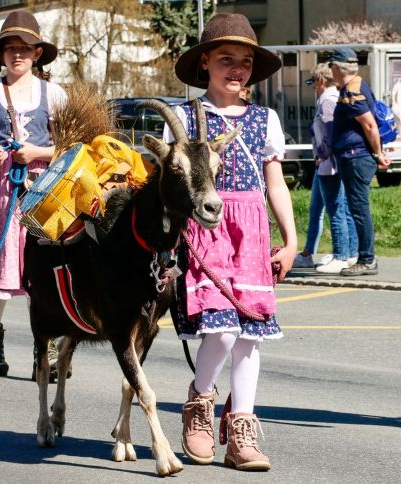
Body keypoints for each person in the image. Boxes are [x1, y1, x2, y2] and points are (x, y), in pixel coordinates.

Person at [168, 13, 297, 471]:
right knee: (220, 330)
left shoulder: (265, 119)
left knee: (248, 338)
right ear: (205, 63)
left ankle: (241, 426)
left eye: (245, 61)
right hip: (205, 230)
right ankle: (201, 403)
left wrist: (291, 238)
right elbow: (171, 184)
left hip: (252, 233)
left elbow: (275, 183)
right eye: (226, 59)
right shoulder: (183, 117)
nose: (237, 68)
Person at [0, 11, 66, 377]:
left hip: (42, 189)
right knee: (1, 268)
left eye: (24, 48)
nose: (17, 55)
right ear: (1, 54)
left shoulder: (53, 93)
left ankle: (47, 348)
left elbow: (69, 147)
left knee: (44, 269)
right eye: (10, 48)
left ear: (38, 53)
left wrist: (37, 153)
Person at [328, 47, 390, 276]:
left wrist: (377, 153)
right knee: (357, 208)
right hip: (355, 155)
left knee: (359, 208)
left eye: (331, 66)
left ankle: (367, 259)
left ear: (336, 67)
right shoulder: (354, 85)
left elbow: (370, 125)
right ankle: (364, 257)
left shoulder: (352, 90)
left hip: (356, 156)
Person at [307, 63, 358, 274]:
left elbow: (330, 130)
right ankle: (351, 253)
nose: (313, 88)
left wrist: (323, 155)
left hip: (330, 164)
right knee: (343, 209)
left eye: (313, 83)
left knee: (336, 209)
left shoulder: (327, 99)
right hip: (336, 161)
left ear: (321, 80)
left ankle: (341, 255)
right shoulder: (333, 97)